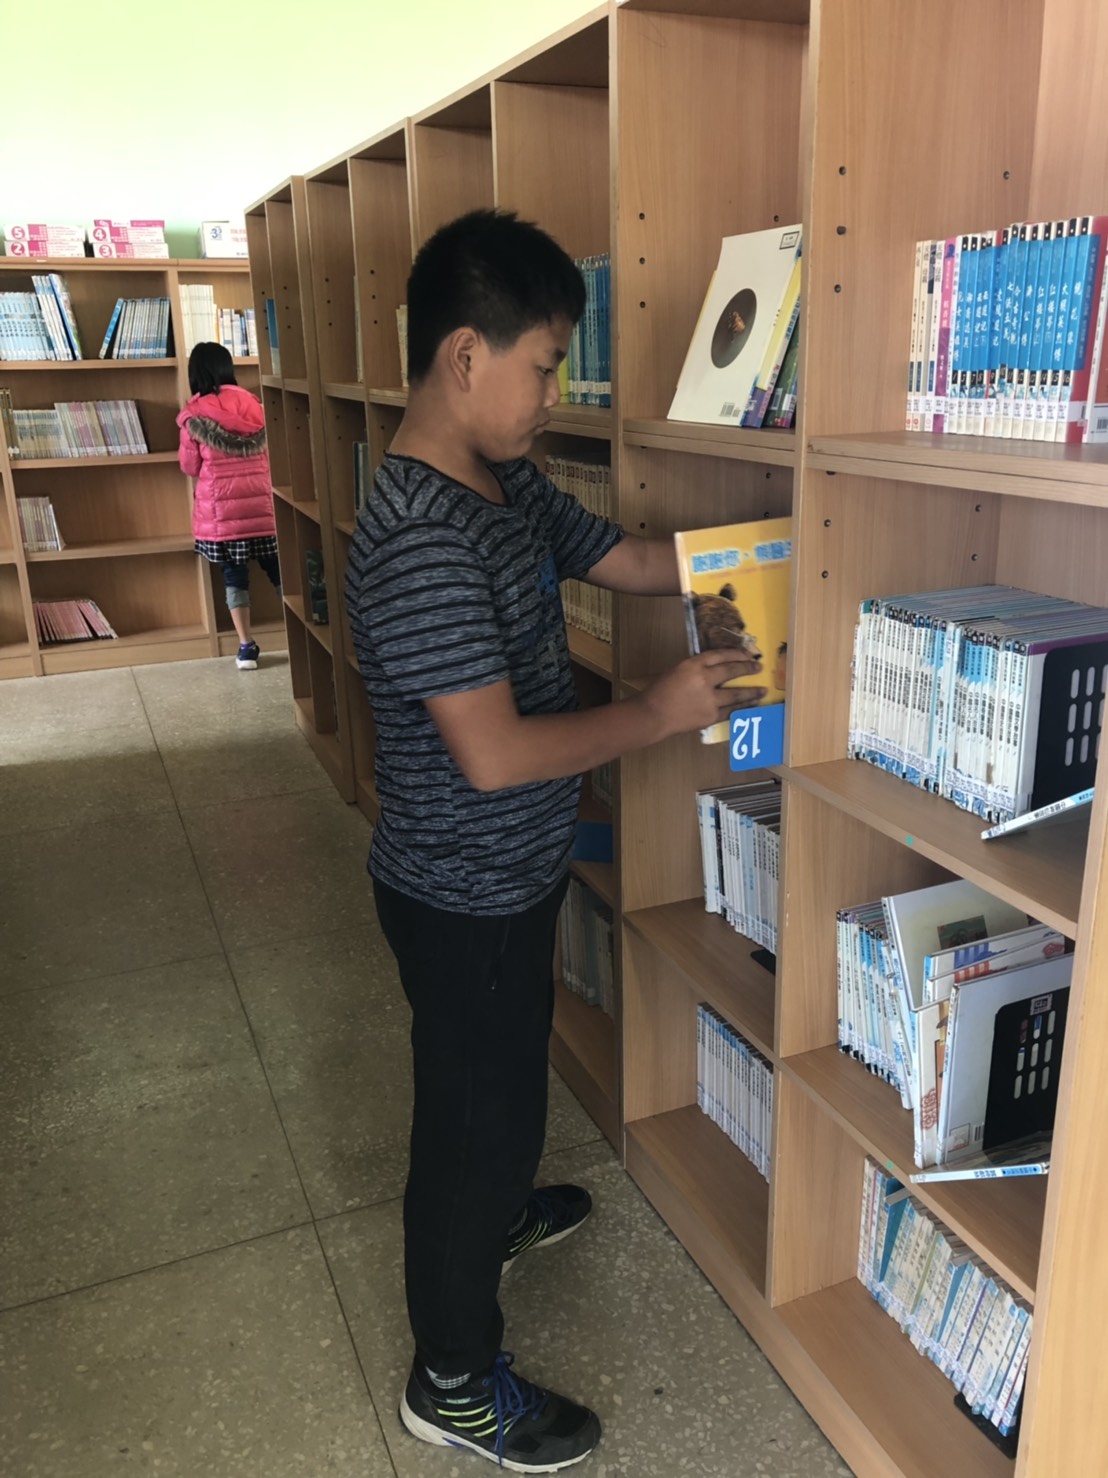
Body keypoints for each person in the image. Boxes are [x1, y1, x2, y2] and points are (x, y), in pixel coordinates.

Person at [344, 209, 753, 1473]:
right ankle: (452, 1380)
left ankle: (498, 1209)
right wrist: (657, 713)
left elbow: (622, 558)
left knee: (504, 1082)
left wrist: (761, 549)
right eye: (544, 367)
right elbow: (494, 753)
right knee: (472, 1121)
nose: (555, 395)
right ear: (464, 356)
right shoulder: (418, 534)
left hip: (507, 880)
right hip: (455, 894)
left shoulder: (502, 479)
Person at [178, 342, 281, 670]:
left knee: (235, 577)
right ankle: (303, 633)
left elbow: (189, 467)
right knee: (280, 573)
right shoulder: (255, 405)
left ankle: (246, 647)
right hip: (264, 509)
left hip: (223, 517)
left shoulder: (194, 415)